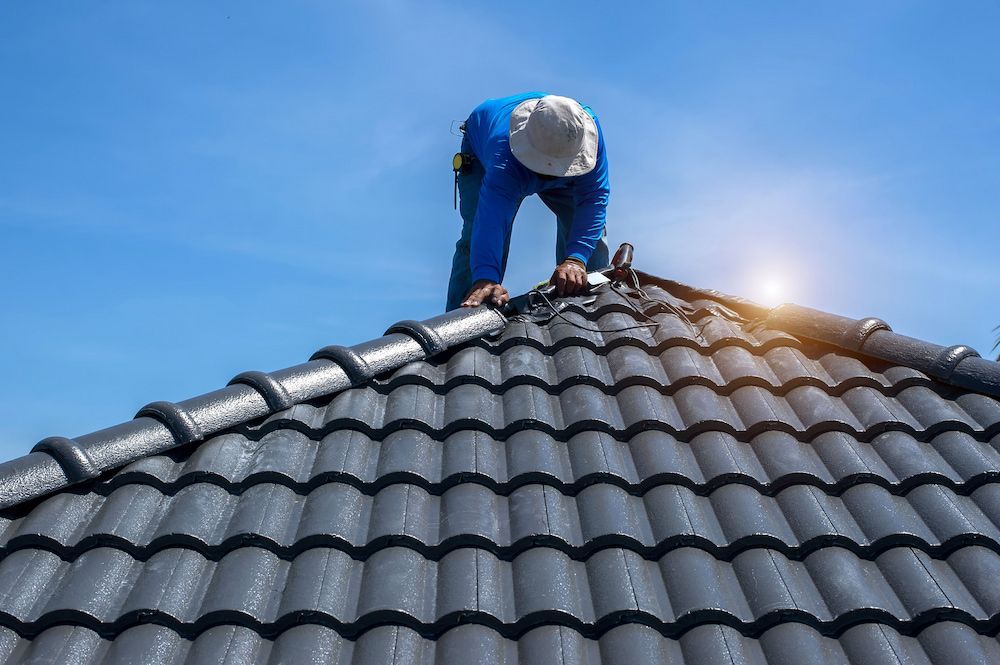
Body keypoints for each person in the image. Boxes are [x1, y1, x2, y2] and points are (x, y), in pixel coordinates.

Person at [446, 92, 610, 310]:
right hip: (496, 160)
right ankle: (460, 320)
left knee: (589, 240)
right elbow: (491, 219)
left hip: (567, 171)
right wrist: (485, 276)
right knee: (474, 239)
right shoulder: (503, 156)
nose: (549, 173)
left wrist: (575, 260)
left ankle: (591, 309)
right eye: (545, 167)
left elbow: (594, 199)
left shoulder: (588, 136)